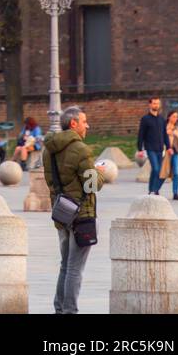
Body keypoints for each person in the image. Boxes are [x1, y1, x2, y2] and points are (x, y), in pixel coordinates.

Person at [43, 106, 105, 315]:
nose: (87, 125)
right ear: (73, 124)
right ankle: (69, 310)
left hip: (62, 213)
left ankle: (59, 308)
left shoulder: (49, 149)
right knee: (75, 268)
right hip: (81, 215)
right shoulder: (80, 150)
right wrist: (99, 172)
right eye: (84, 121)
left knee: (65, 265)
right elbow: (92, 185)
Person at [136, 96, 167, 195]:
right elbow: (141, 134)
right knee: (156, 168)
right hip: (150, 148)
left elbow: (165, 134)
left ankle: (154, 189)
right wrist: (140, 149)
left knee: (159, 170)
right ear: (150, 104)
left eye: (157, 103)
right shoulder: (145, 119)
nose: (156, 105)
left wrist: (169, 147)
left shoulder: (162, 119)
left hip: (160, 148)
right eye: (154, 103)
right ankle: (152, 189)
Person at [164, 110, 178, 200]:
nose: (176, 118)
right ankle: (155, 190)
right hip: (166, 152)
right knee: (163, 172)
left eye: (177, 117)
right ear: (169, 117)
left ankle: (175, 193)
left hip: (176, 152)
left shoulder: (177, 128)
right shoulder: (164, 127)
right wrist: (168, 133)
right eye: (174, 116)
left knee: (176, 173)